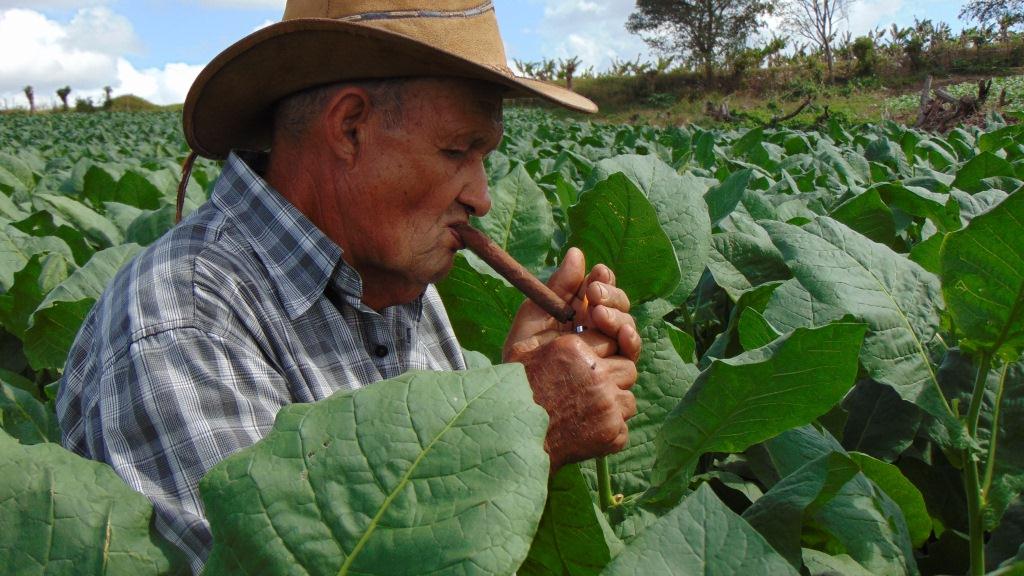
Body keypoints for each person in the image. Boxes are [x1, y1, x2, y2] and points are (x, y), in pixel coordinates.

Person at [56, 1, 640, 572]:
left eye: (483, 155)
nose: (482, 197)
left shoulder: (396, 281)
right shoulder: (181, 325)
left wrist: (509, 396)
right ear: (350, 127)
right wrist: (514, 438)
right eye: (458, 150)